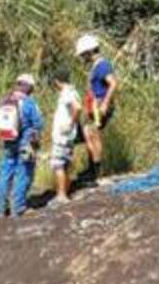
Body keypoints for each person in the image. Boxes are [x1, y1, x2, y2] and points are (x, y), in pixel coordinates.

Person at [0, 73, 44, 217]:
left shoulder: (5, 100)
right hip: (26, 143)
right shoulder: (29, 103)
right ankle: (18, 207)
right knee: (24, 173)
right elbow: (39, 123)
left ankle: (0, 208)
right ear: (28, 87)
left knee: (5, 173)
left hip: (8, 142)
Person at [75, 33, 118, 186]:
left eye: (83, 54)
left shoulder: (102, 65)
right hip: (93, 105)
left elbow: (113, 83)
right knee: (88, 135)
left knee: (93, 136)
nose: (82, 58)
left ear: (90, 51)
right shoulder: (96, 66)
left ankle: (97, 174)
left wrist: (105, 103)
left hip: (99, 105)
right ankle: (92, 169)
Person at [48, 68, 82, 204]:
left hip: (63, 136)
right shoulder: (71, 91)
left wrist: (70, 124)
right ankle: (64, 192)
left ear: (57, 81)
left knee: (58, 165)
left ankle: (61, 196)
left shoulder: (68, 93)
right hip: (66, 135)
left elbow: (78, 108)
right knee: (64, 164)